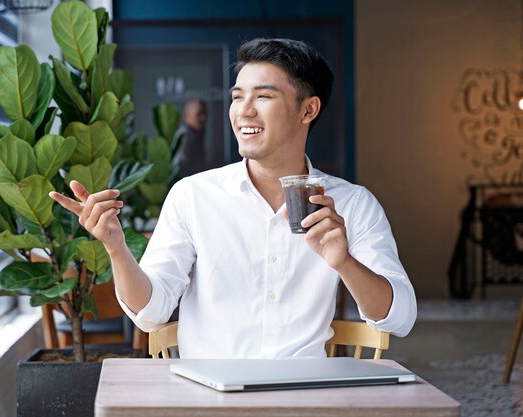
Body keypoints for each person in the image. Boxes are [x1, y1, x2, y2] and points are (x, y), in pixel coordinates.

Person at [50, 38, 417, 359]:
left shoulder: (352, 204)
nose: (243, 110)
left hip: (305, 392)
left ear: (308, 109)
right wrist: (116, 247)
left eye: (264, 96)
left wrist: (345, 262)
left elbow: (399, 318)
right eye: (238, 96)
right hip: (209, 395)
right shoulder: (193, 196)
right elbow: (151, 312)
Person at [177, 99, 208, 177]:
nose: (203, 118)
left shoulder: (198, 134)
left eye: (205, 113)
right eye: (199, 114)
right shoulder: (183, 138)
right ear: (186, 115)